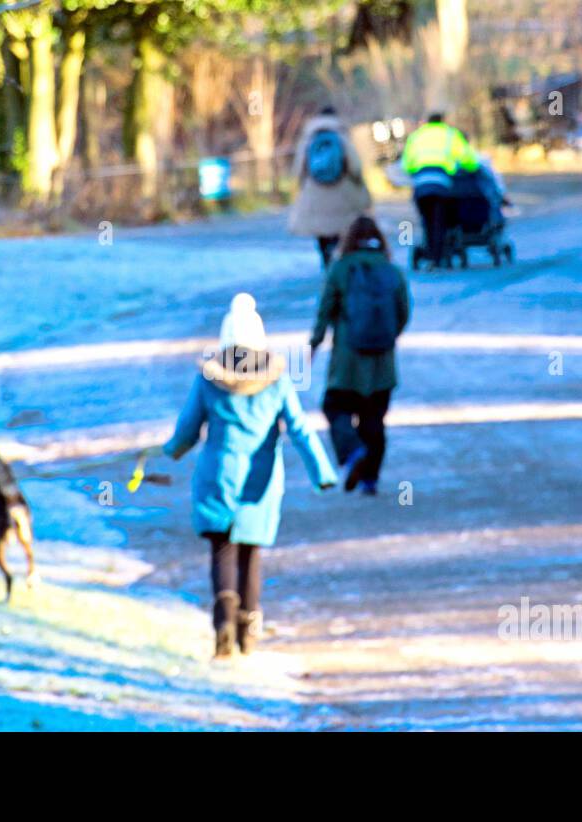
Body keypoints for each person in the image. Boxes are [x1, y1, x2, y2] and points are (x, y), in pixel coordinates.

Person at [165, 293, 338, 659]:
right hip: (260, 480)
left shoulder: (210, 378)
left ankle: (222, 624)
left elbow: (187, 429)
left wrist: (170, 451)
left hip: (217, 475)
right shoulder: (277, 380)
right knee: (250, 554)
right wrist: (321, 471)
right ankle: (248, 629)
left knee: (222, 548)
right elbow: (299, 428)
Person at [310, 216, 411, 496]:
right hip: (382, 363)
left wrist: (314, 343)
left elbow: (325, 310)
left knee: (335, 408)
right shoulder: (392, 271)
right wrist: (387, 338)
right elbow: (403, 313)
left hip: (347, 361)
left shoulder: (340, 268)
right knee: (374, 420)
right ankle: (370, 480)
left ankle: (353, 452)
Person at [288, 106, 372, 269]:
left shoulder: (308, 140)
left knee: (322, 231)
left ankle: (326, 260)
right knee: (342, 231)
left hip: (315, 194)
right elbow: (355, 167)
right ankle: (339, 261)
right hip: (342, 193)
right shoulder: (342, 136)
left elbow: (298, 171)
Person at [400, 111, 478, 266]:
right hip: (441, 183)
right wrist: (470, 168)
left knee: (427, 220)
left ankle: (429, 253)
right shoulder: (450, 134)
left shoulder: (416, 136)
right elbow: (469, 159)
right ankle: (438, 256)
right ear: (443, 121)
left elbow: (406, 165)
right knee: (439, 221)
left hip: (421, 184)